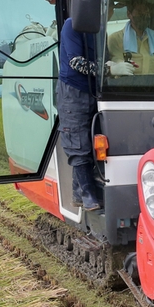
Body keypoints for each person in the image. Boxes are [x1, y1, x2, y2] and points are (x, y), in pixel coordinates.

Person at [57, 16, 102, 211]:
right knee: (77, 139)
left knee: (92, 140)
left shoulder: (102, 30)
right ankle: (88, 194)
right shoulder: (73, 24)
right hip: (73, 90)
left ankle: (78, 193)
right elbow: (76, 62)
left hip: (96, 90)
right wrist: (107, 69)